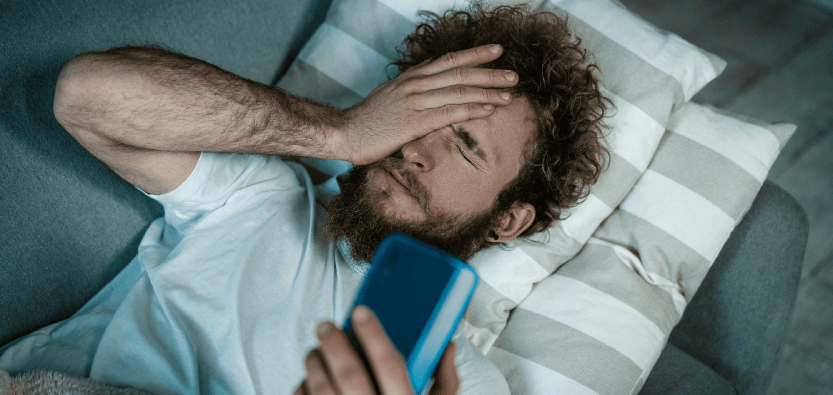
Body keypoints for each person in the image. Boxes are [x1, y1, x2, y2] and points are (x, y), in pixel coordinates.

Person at [0, 4, 608, 394]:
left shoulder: (466, 382)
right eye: (416, 117)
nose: (413, 148)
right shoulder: (263, 193)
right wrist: (339, 133)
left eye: (466, 147)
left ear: (509, 219)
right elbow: (85, 93)